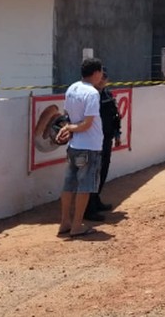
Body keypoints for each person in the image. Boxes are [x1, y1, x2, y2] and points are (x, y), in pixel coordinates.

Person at [57, 57, 105, 238]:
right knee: (84, 186)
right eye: (100, 72)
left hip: (74, 145)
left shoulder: (72, 88)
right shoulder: (92, 93)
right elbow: (86, 124)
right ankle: (77, 225)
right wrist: (70, 128)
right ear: (95, 73)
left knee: (69, 184)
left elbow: (68, 116)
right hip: (89, 145)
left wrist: (69, 127)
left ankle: (65, 222)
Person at [84, 69, 123, 220]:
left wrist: (117, 133)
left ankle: (95, 200)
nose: (102, 80)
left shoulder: (107, 94)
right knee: (93, 172)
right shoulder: (90, 95)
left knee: (103, 170)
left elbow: (115, 115)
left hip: (106, 138)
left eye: (104, 78)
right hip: (93, 139)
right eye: (100, 77)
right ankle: (89, 208)